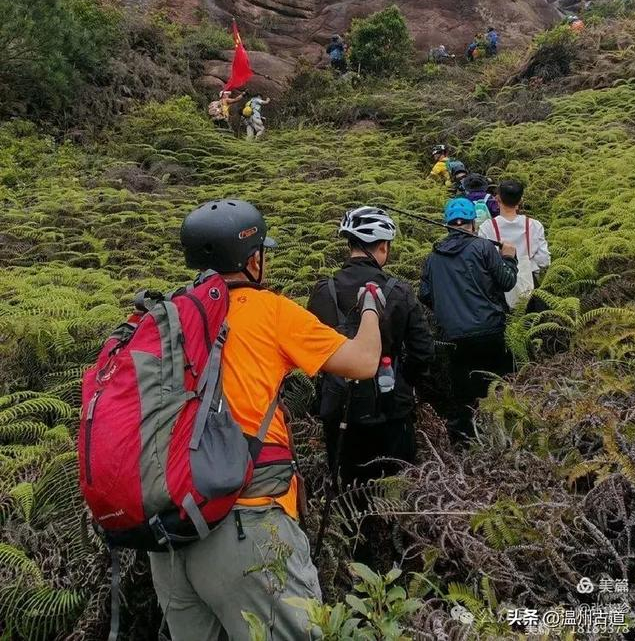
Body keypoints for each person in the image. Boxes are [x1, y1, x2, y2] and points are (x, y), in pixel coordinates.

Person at [149, 199, 386, 640]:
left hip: (168, 532)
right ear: (252, 259)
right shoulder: (270, 311)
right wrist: (371, 305)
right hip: (247, 523)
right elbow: (365, 361)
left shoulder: (165, 316)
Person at [308, 206, 435, 488]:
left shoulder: (322, 290)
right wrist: (407, 383)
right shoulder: (399, 290)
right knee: (397, 486)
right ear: (382, 246)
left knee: (349, 489)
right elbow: (423, 349)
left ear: (349, 244)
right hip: (390, 408)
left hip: (338, 406)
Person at [419, 198, 518, 438]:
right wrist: (509, 258)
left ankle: (466, 441)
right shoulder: (483, 247)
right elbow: (507, 281)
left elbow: (425, 295)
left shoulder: (432, 258)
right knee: (498, 386)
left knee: (464, 395)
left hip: (453, 337)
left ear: (447, 225)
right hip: (490, 331)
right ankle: (503, 436)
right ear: (473, 224)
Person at [478, 179, 550, 310]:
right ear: (520, 200)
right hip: (530, 284)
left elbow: (483, 263)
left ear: (497, 198)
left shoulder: (487, 227)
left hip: (500, 286)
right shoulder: (534, 225)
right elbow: (544, 260)